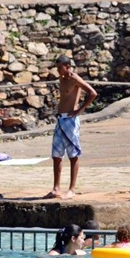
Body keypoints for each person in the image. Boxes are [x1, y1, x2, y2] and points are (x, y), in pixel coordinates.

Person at [44, 55, 97, 200]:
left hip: (71, 120)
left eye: (60, 68)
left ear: (67, 66)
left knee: (73, 155)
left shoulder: (74, 78)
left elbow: (92, 93)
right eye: (57, 68)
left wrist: (79, 110)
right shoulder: (62, 79)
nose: (58, 71)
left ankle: (72, 189)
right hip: (61, 120)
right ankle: (56, 188)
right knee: (56, 156)